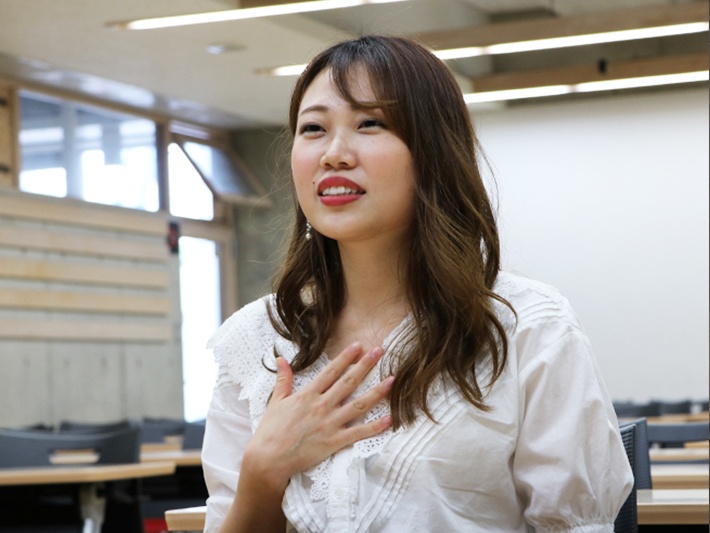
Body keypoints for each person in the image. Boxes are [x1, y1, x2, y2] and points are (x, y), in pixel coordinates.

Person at [201, 35, 633, 533]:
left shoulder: (528, 327)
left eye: (370, 123)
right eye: (313, 128)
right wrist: (262, 472)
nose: (334, 154)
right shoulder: (254, 342)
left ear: (433, 150)